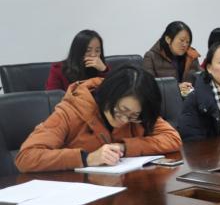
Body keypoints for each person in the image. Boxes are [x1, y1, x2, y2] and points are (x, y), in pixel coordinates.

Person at [16, 66, 182, 173]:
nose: (124, 120)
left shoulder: (139, 112)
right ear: (107, 96)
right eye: (120, 111)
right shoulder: (71, 111)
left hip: (126, 191)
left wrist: (124, 147)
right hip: (78, 197)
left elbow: (173, 138)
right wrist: (86, 158)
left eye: (133, 116)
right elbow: (26, 157)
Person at [142, 21, 200, 97]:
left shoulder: (191, 56)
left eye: (187, 42)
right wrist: (175, 88)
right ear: (168, 39)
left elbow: (200, 80)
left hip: (189, 101)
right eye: (182, 40)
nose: (185, 45)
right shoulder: (151, 57)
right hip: (163, 101)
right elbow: (147, 86)